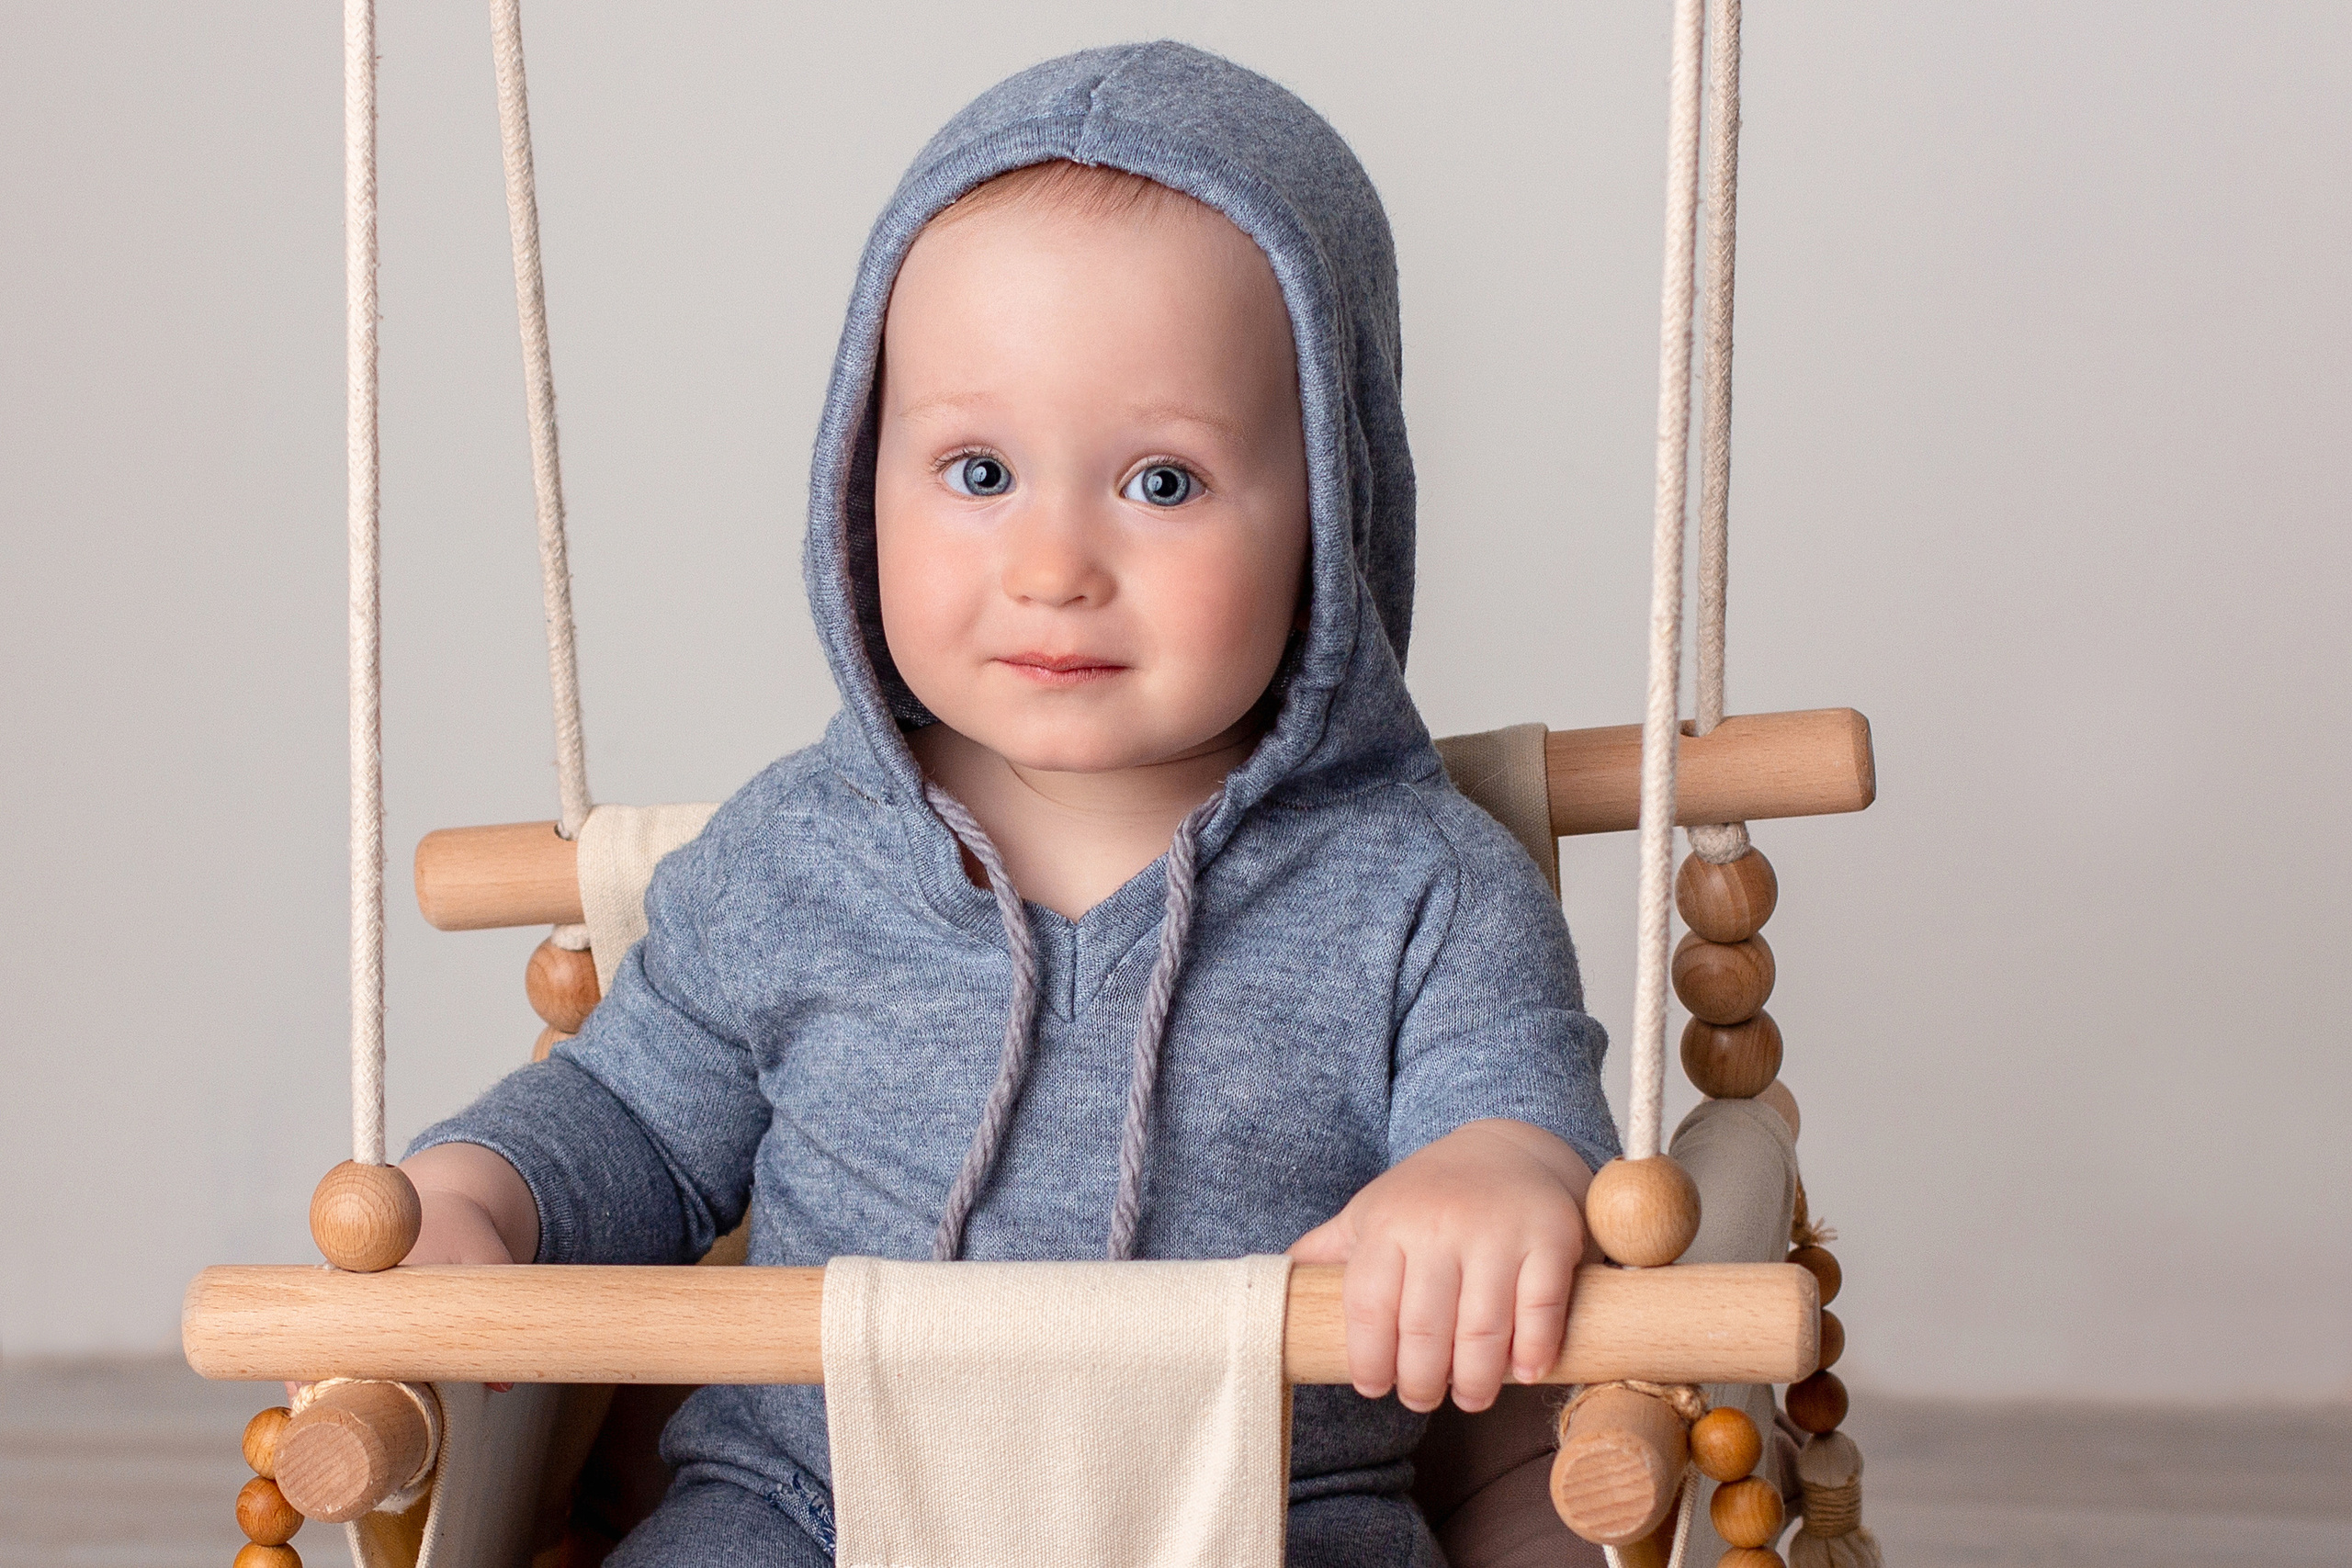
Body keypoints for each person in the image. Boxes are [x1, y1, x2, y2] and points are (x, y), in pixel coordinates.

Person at [399, 40, 1618, 1566]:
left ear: (1333, 510)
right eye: (977, 470)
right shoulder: (791, 860)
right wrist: (482, 1192)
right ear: (862, 478)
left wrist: (1499, 1169)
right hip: (809, 1503)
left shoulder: (1422, 885)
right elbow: (632, 1119)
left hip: (1262, 1509)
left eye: (1161, 483)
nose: (1054, 563)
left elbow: (1515, 1096)